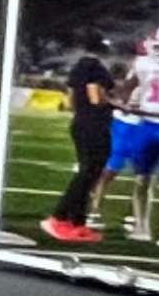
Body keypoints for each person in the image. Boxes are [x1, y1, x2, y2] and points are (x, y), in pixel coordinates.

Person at [99, 19, 159, 250]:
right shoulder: (141, 63)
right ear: (150, 44)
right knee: (141, 178)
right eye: (158, 46)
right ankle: (142, 227)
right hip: (145, 124)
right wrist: (120, 100)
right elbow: (128, 86)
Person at [38, 42, 118, 245]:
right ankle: (59, 217)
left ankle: (76, 222)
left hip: (80, 122)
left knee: (87, 172)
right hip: (95, 125)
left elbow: (72, 99)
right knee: (88, 174)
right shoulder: (97, 69)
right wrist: (115, 104)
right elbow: (95, 97)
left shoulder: (79, 67)